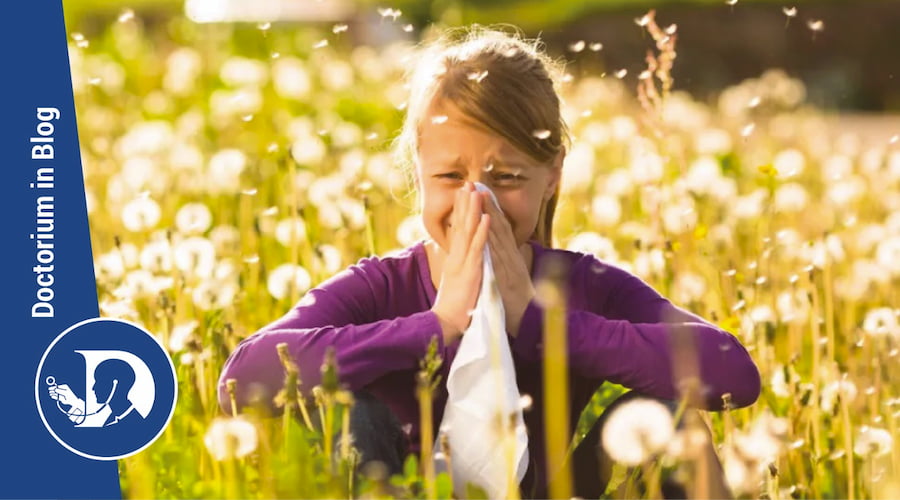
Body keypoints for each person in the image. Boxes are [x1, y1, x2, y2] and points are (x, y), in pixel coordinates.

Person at [218, 26, 761, 498]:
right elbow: (241, 382)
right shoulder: (380, 286)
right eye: (451, 177)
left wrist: (540, 322)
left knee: (675, 420)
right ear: (417, 171)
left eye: (506, 178)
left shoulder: (580, 284)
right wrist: (437, 326)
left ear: (552, 176)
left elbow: (733, 374)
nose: (477, 202)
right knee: (352, 411)